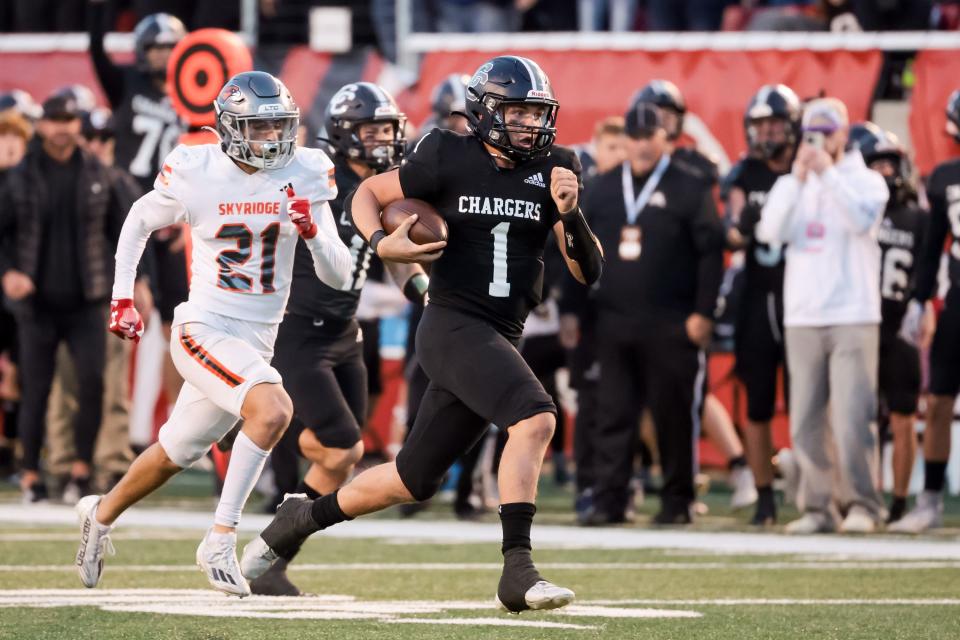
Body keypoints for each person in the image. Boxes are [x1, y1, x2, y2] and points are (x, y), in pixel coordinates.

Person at [240, 56, 603, 613]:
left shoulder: (557, 167)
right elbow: (369, 196)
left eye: (537, 113)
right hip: (452, 321)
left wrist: (572, 216)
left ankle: (298, 519)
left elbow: (588, 271)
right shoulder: (446, 154)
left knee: (412, 479)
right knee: (536, 417)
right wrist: (381, 244)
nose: (531, 124)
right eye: (518, 112)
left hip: (502, 334)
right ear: (485, 112)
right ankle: (518, 570)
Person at [74, 71, 353, 597]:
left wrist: (314, 233)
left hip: (257, 335)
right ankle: (220, 537)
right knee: (273, 410)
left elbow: (340, 275)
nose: (273, 139)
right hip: (203, 324)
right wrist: (121, 295)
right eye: (259, 127)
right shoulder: (196, 167)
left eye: (279, 127)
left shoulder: (308, 170)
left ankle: (100, 513)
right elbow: (138, 219)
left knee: (175, 452)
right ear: (228, 128)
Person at [251, 82, 426, 596]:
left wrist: (426, 293)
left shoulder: (384, 184)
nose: (382, 139)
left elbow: (391, 257)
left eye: (388, 129)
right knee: (343, 442)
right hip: (299, 332)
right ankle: (256, 427)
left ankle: (271, 562)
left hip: (346, 332)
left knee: (341, 457)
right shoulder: (314, 175)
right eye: (371, 129)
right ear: (345, 133)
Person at [579, 102, 724, 525]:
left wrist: (704, 312)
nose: (642, 145)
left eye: (650, 136)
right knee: (614, 413)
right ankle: (611, 500)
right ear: (626, 140)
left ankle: (677, 501)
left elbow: (711, 252)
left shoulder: (689, 186)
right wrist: (576, 312)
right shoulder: (603, 188)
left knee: (674, 414)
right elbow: (578, 249)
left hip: (673, 321)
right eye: (635, 137)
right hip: (614, 319)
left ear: (666, 138)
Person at [756, 97, 888, 534]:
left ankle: (862, 504)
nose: (820, 140)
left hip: (853, 311)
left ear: (843, 134)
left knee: (853, 417)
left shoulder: (866, 181)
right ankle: (817, 508)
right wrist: (797, 179)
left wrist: (827, 174)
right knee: (806, 418)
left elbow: (860, 219)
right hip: (803, 314)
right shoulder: (793, 184)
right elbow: (770, 233)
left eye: (828, 131)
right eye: (813, 131)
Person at [0, 89, 132, 504]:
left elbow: (123, 233)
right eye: (55, 120)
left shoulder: (98, 172)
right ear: (42, 124)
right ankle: (31, 476)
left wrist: (136, 282)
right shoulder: (21, 173)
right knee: (36, 388)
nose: (62, 128)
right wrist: (8, 272)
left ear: (79, 125)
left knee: (93, 384)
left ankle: (80, 471)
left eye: (69, 120)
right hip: (37, 304)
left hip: (87, 300)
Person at [45, 106, 154, 500]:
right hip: (68, 300)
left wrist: (142, 283)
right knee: (64, 385)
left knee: (110, 385)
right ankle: (61, 463)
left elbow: (140, 239)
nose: (96, 145)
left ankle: (108, 463)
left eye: (104, 138)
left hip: (109, 299)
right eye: (90, 137)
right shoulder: (65, 180)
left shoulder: (117, 181)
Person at [88, 5, 190, 417]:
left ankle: (178, 422)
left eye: (171, 47)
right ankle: (111, 428)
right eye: (156, 47)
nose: (164, 56)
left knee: (178, 329)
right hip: (131, 215)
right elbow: (97, 52)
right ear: (141, 50)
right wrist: (99, 11)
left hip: (177, 217)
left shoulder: (197, 91)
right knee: (121, 320)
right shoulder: (127, 83)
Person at [724, 83, 801, 526]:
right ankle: (765, 495)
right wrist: (743, 226)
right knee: (756, 404)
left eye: (774, 123)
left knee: (807, 402)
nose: (767, 132)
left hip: (803, 300)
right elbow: (733, 231)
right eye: (760, 124)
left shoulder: (808, 170)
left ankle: (814, 487)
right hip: (757, 298)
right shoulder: (745, 174)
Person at [845, 123, 926, 525]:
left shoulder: (915, 218)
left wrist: (920, 307)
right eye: (874, 165)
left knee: (903, 414)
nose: (885, 174)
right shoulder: (851, 212)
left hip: (897, 326)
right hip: (857, 322)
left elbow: (930, 270)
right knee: (853, 415)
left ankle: (897, 502)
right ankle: (861, 497)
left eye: (890, 165)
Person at [891, 90, 960, 533]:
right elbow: (933, 247)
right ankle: (930, 500)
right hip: (957, 303)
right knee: (937, 401)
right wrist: (920, 300)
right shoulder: (944, 178)